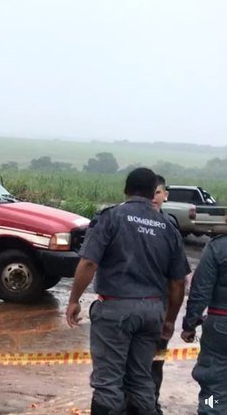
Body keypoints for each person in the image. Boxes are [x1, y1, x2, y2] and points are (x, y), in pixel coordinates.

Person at [66, 168, 189, 415]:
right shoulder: (168, 227)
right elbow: (178, 282)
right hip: (152, 312)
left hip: (115, 310)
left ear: (126, 189)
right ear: (152, 192)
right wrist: (170, 319)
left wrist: (73, 300)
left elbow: (89, 263)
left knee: (108, 382)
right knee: (141, 378)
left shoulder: (112, 217)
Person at [150, 174, 191, 414]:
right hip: (135, 307)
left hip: (160, 307)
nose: (154, 198)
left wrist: (172, 318)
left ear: (166, 195)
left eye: (158, 192)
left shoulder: (170, 227)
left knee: (156, 362)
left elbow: (179, 278)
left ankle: (151, 403)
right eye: (151, 192)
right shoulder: (123, 219)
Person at [181, 235, 227, 414]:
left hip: (221, 327)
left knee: (213, 386)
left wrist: (190, 324)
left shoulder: (219, 246)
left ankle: (211, 409)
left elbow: (201, 289)